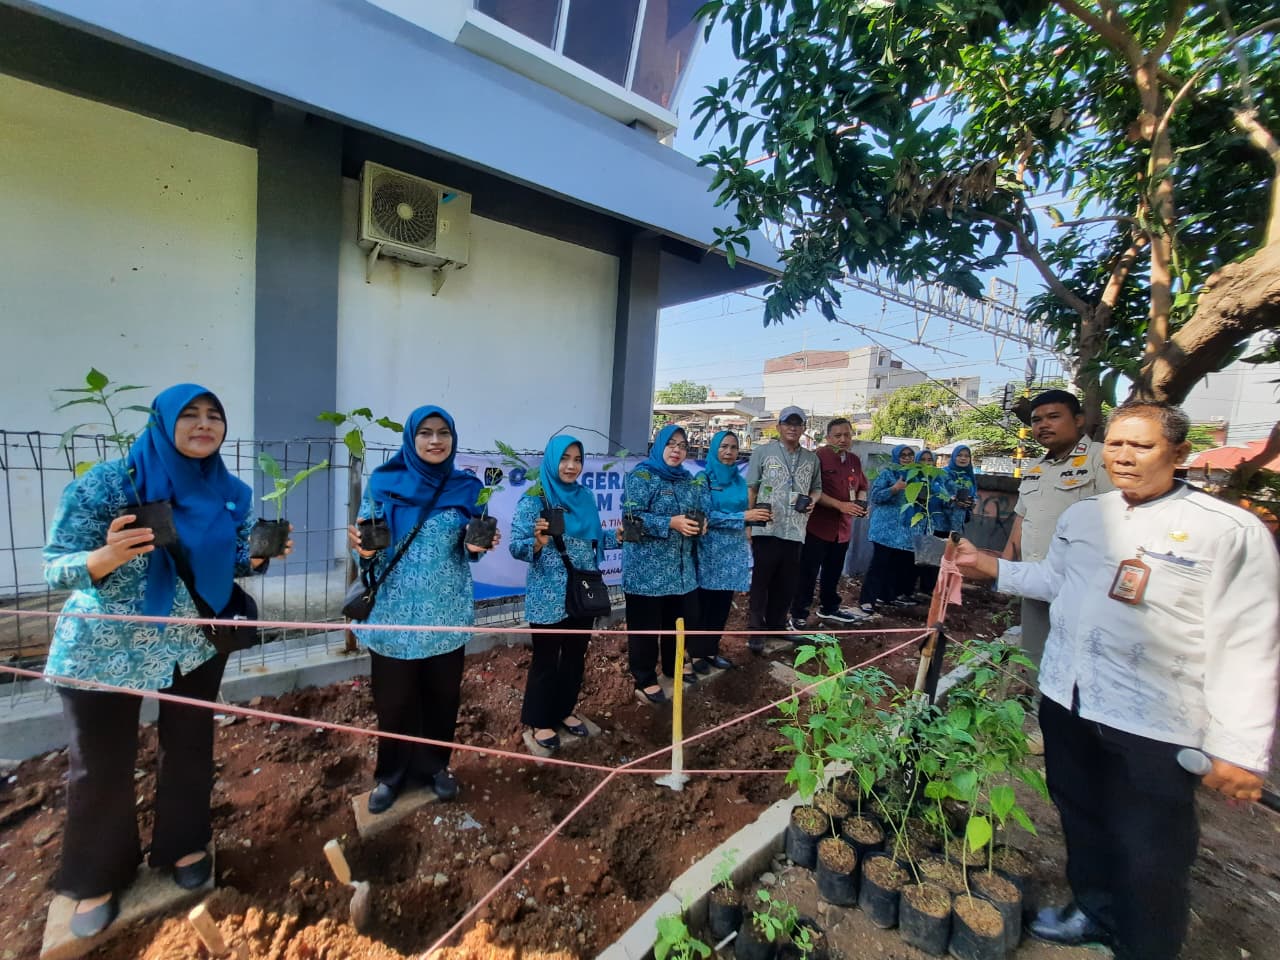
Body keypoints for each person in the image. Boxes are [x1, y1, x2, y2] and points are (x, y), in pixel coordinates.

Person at [953, 401, 1279, 960]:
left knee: (1151, 844)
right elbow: (1054, 581)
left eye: (1142, 446)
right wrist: (992, 567)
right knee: (1079, 812)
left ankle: (1146, 944)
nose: (1125, 457)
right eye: (1119, 445)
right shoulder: (1086, 517)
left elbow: (1249, 641)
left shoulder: (1227, 531)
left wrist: (1240, 750)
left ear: (1179, 452)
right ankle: (1094, 910)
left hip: (1155, 717)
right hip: (1068, 695)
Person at [43, 384, 287, 938]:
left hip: (192, 642)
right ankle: (98, 877)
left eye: (214, 416)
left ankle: (184, 845)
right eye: (190, 415)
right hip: (105, 646)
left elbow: (229, 560)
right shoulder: (108, 485)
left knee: (190, 743)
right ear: (162, 422)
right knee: (100, 762)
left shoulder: (230, 492)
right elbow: (55, 565)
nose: (204, 425)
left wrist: (256, 559)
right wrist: (103, 557)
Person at [349, 406, 499, 813]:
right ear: (411, 438)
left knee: (442, 696)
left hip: (445, 613)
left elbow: (471, 548)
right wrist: (364, 551)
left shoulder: (466, 488)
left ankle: (435, 767)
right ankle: (391, 775)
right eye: (426, 433)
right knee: (394, 701)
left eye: (443, 432)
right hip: (393, 614)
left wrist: (476, 547)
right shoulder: (384, 483)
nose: (435, 440)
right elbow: (366, 547)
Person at [509, 435, 615, 750]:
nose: (571, 466)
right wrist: (537, 543)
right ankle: (540, 720)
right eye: (564, 459)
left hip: (582, 591)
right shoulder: (535, 499)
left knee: (574, 656)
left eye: (577, 459)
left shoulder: (585, 497)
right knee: (546, 659)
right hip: (548, 594)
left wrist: (618, 536)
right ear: (552, 460)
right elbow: (516, 545)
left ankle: (565, 710)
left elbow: (594, 538)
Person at [1002, 389, 1114, 670]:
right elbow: (1022, 519)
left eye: (1053, 417)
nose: (1043, 425)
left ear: (1078, 420)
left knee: (1081, 661)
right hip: (1035, 581)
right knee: (1036, 656)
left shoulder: (1100, 459)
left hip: (1082, 585)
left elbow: (1121, 518)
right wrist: (1006, 567)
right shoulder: (1035, 467)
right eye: (1036, 420)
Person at [622, 424, 707, 703]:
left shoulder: (687, 479)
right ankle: (645, 677)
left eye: (682, 445)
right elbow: (631, 520)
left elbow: (697, 511)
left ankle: (674, 665)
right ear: (658, 446)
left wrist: (701, 523)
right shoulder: (642, 476)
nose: (677, 450)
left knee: (680, 622)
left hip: (681, 570)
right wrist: (670, 523)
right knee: (645, 628)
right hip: (646, 572)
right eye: (671, 444)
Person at [744, 406, 822, 651]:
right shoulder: (762, 452)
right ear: (778, 426)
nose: (793, 428)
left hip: (795, 529)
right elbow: (752, 488)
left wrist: (813, 501)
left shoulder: (811, 459)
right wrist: (749, 523)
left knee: (787, 583)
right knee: (761, 581)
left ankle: (777, 625)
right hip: (766, 526)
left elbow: (817, 488)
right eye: (788, 423)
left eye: (798, 424)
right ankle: (756, 630)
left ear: (804, 428)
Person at [692, 431, 771, 673]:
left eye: (734, 447)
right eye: (724, 446)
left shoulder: (738, 480)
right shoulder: (703, 479)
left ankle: (711, 650)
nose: (729, 452)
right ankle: (695, 655)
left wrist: (754, 520)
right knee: (704, 606)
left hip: (733, 553)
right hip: (710, 552)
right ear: (714, 449)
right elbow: (706, 516)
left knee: (722, 606)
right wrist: (743, 516)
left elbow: (745, 512)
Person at [789, 418, 869, 629]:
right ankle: (798, 613)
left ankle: (829, 607)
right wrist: (841, 505)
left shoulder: (854, 460)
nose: (843, 439)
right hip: (817, 527)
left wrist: (861, 503)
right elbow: (811, 490)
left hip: (843, 529)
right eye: (837, 435)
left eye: (847, 435)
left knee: (833, 571)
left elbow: (862, 485)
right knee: (807, 572)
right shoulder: (817, 458)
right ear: (828, 438)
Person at [859, 444, 919, 613]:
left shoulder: (916, 477)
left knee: (894, 567)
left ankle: (886, 596)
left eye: (910, 455)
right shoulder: (888, 473)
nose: (906, 458)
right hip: (884, 529)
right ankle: (867, 600)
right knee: (878, 566)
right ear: (896, 457)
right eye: (903, 455)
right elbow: (875, 496)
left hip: (903, 531)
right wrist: (894, 489)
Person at [912, 449, 955, 597]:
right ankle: (909, 590)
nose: (926, 463)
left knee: (931, 558)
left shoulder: (937, 480)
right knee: (914, 559)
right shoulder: (913, 479)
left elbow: (945, 498)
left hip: (934, 523)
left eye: (929, 460)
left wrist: (951, 500)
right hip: (917, 525)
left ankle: (927, 588)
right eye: (922, 459)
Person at [943, 445, 978, 533]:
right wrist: (950, 500)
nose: (963, 458)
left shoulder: (969, 476)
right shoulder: (944, 473)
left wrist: (971, 503)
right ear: (954, 456)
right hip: (941, 521)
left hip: (959, 521)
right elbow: (936, 493)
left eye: (967, 456)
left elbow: (974, 495)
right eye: (959, 455)